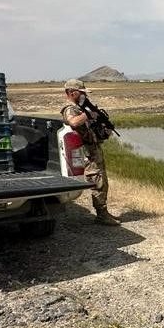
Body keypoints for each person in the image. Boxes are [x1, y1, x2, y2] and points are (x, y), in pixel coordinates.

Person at [61, 79, 120, 226]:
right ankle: (101, 215)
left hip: (93, 149)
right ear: (72, 93)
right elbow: (73, 122)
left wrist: (103, 130)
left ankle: (103, 212)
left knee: (102, 181)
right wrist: (88, 114)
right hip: (86, 152)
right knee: (97, 181)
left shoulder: (80, 108)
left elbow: (88, 129)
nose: (83, 96)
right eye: (81, 93)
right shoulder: (70, 108)